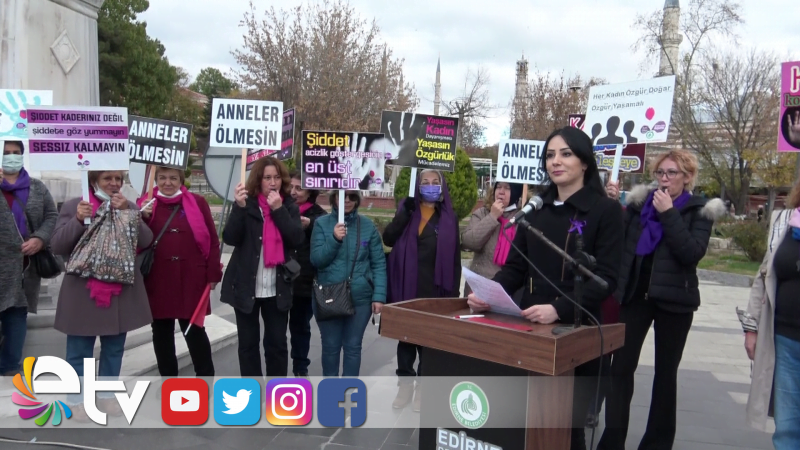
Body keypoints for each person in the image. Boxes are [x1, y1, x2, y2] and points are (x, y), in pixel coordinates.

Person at [468, 126, 624, 450]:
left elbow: (607, 278)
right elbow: (515, 268)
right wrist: (489, 292)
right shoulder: (535, 209)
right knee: (524, 419)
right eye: (550, 155)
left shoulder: (604, 210)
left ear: (584, 162)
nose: (556, 161)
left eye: (565, 154)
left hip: (576, 325)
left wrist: (559, 309)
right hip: (530, 323)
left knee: (567, 427)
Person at [599, 150, 724, 450]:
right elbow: (619, 238)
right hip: (635, 297)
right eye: (660, 173)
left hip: (674, 302)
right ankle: (612, 439)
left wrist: (668, 213)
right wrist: (612, 203)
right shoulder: (641, 203)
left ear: (687, 177)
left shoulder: (700, 211)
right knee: (620, 370)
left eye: (672, 173)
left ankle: (656, 442)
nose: (664, 179)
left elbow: (691, 252)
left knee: (665, 376)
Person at [51, 170, 153, 421]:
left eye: (118, 179)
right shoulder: (77, 205)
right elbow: (57, 245)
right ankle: (76, 399)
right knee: (79, 350)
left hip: (119, 291)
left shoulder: (126, 205)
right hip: (84, 292)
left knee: (114, 348)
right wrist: (77, 220)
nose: (114, 184)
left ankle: (106, 395)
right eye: (108, 178)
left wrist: (130, 213)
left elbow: (147, 240)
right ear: (94, 180)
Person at [384, 169, 462, 411]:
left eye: (435, 182)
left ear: (442, 186)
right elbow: (388, 238)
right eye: (425, 182)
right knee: (406, 342)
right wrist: (403, 215)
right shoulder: (407, 210)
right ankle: (405, 388)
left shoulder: (449, 217)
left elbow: (456, 258)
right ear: (418, 186)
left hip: (435, 291)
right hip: (407, 288)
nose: (430, 186)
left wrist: (452, 298)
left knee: (428, 344)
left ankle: (422, 392)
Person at [220, 157, 303, 377]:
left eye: (276, 177)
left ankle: (276, 396)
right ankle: (252, 393)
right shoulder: (245, 204)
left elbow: (296, 238)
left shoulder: (287, 206)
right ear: (259, 180)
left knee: (276, 345)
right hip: (247, 287)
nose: (273, 182)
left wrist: (278, 210)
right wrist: (238, 208)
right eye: (267, 177)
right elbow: (230, 237)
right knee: (247, 346)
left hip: (277, 289)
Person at [138, 166, 223, 377]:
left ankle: (205, 380)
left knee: (194, 331)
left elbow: (212, 239)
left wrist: (213, 273)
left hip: (191, 277)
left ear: (181, 180)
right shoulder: (145, 205)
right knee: (161, 333)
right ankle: (169, 382)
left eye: (173, 178)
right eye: (163, 178)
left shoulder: (198, 202)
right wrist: (142, 217)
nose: (168, 182)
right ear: (156, 179)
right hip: (158, 279)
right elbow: (137, 240)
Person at [739, 180, 800, 450]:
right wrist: (751, 328)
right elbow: (764, 276)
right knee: (787, 425)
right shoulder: (786, 221)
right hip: (785, 338)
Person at [310, 190, 386, 376]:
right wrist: (335, 239)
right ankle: (331, 393)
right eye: (342, 195)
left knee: (353, 347)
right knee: (330, 347)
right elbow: (317, 260)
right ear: (334, 198)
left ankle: (348, 394)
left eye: (352, 196)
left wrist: (379, 296)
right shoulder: (321, 224)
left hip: (360, 297)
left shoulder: (367, 226)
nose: (347, 200)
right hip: (329, 295)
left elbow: (378, 263)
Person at [0, 141, 58, 375]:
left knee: (16, 313)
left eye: (16, 153)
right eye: (6, 153)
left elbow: (51, 215)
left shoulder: (37, 187)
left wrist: (40, 239)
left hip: (25, 265)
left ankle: (8, 367)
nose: (11, 157)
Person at [288, 170, 326, 376]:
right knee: (275, 332)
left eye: (299, 188)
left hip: (304, 283)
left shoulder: (318, 215)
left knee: (300, 329)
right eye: (291, 187)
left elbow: (328, 238)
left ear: (310, 191)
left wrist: (310, 225)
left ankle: (300, 370)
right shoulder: (281, 208)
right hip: (279, 281)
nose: (293, 192)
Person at [460, 182, 523, 296]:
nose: (501, 192)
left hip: (509, 289)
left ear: (516, 192)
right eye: (498, 187)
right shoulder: (483, 213)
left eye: (507, 188)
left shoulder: (523, 217)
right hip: (478, 286)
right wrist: (492, 216)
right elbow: (469, 243)